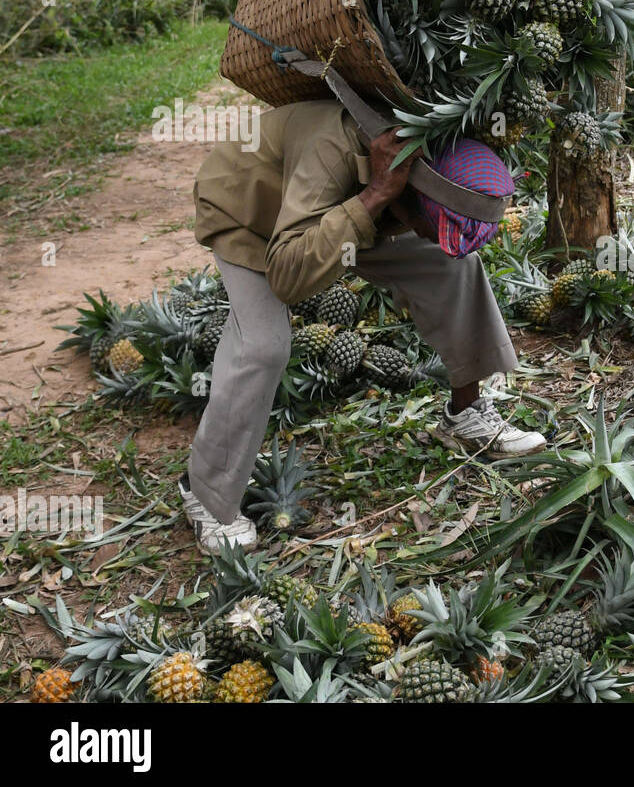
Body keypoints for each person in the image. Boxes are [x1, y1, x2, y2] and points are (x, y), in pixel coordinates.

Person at [181, 100, 545, 554]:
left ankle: (464, 413)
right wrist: (373, 195)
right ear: (410, 198)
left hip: (350, 205)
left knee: (454, 266)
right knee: (264, 345)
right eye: (433, 227)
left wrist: (381, 201)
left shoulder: (430, 153)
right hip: (252, 211)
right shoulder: (331, 154)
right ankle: (206, 494)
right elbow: (288, 277)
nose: (433, 237)